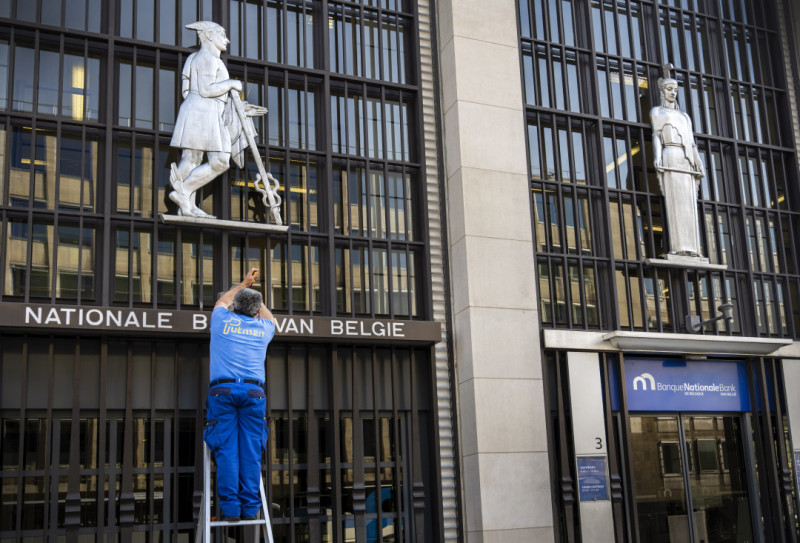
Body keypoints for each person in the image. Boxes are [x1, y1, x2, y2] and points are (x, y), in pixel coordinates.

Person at [169, 21, 267, 218]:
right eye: (222, 35)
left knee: (194, 158)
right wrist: (231, 84)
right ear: (209, 36)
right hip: (205, 110)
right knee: (219, 160)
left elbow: (187, 90)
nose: (227, 40)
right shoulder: (209, 59)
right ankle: (184, 195)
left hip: (199, 109)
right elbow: (206, 90)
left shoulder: (195, 58)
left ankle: (186, 203)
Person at [204, 268, 276, 521]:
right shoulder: (264, 328)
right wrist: (256, 297)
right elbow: (270, 318)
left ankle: (231, 509)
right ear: (256, 311)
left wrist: (244, 284)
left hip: (222, 391)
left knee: (226, 450)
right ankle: (250, 508)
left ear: (235, 306)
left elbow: (222, 301)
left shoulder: (221, 320)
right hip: (253, 392)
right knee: (251, 451)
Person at [650, 64, 706, 258]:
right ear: (662, 91)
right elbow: (657, 136)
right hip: (670, 154)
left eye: (675, 90)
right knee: (675, 201)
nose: (673, 93)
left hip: (686, 158)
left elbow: (691, 143)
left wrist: (698, 162)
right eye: (669, 89)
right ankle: (678, 246)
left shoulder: (684, 117)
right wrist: (657, 156)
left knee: (688, 203)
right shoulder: (658, 112)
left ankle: (693, 248)